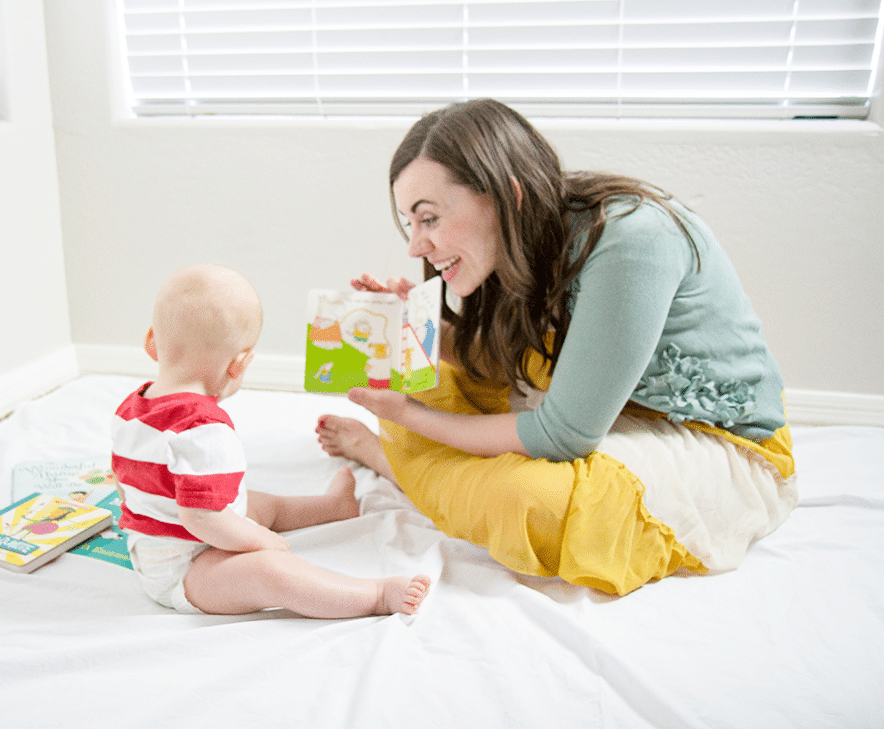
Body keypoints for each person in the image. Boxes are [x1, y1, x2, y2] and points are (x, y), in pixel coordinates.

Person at [316, 99, 797, 596]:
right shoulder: (523, 237)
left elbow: (565, 435)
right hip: (604, 409)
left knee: (524, 499)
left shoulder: (632, 239)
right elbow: (508, 359)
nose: (416, 245)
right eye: (409, 223)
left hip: (719, 443)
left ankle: (395, 464)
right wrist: (422, 331)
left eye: (430, 219)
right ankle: (424, 470)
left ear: (508, 195)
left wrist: (407, 417)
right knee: (432, 380)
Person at [112, 263, 431, 617]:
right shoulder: (202, 428)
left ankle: (333, 508)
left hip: (153, 550)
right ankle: (375, 595)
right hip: (187, 569)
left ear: (151, 342)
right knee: (271, 573)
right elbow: (201, 519)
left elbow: (126, 484)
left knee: (258, 504)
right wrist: (261, 540)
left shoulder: (130, 409)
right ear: (239, 365)